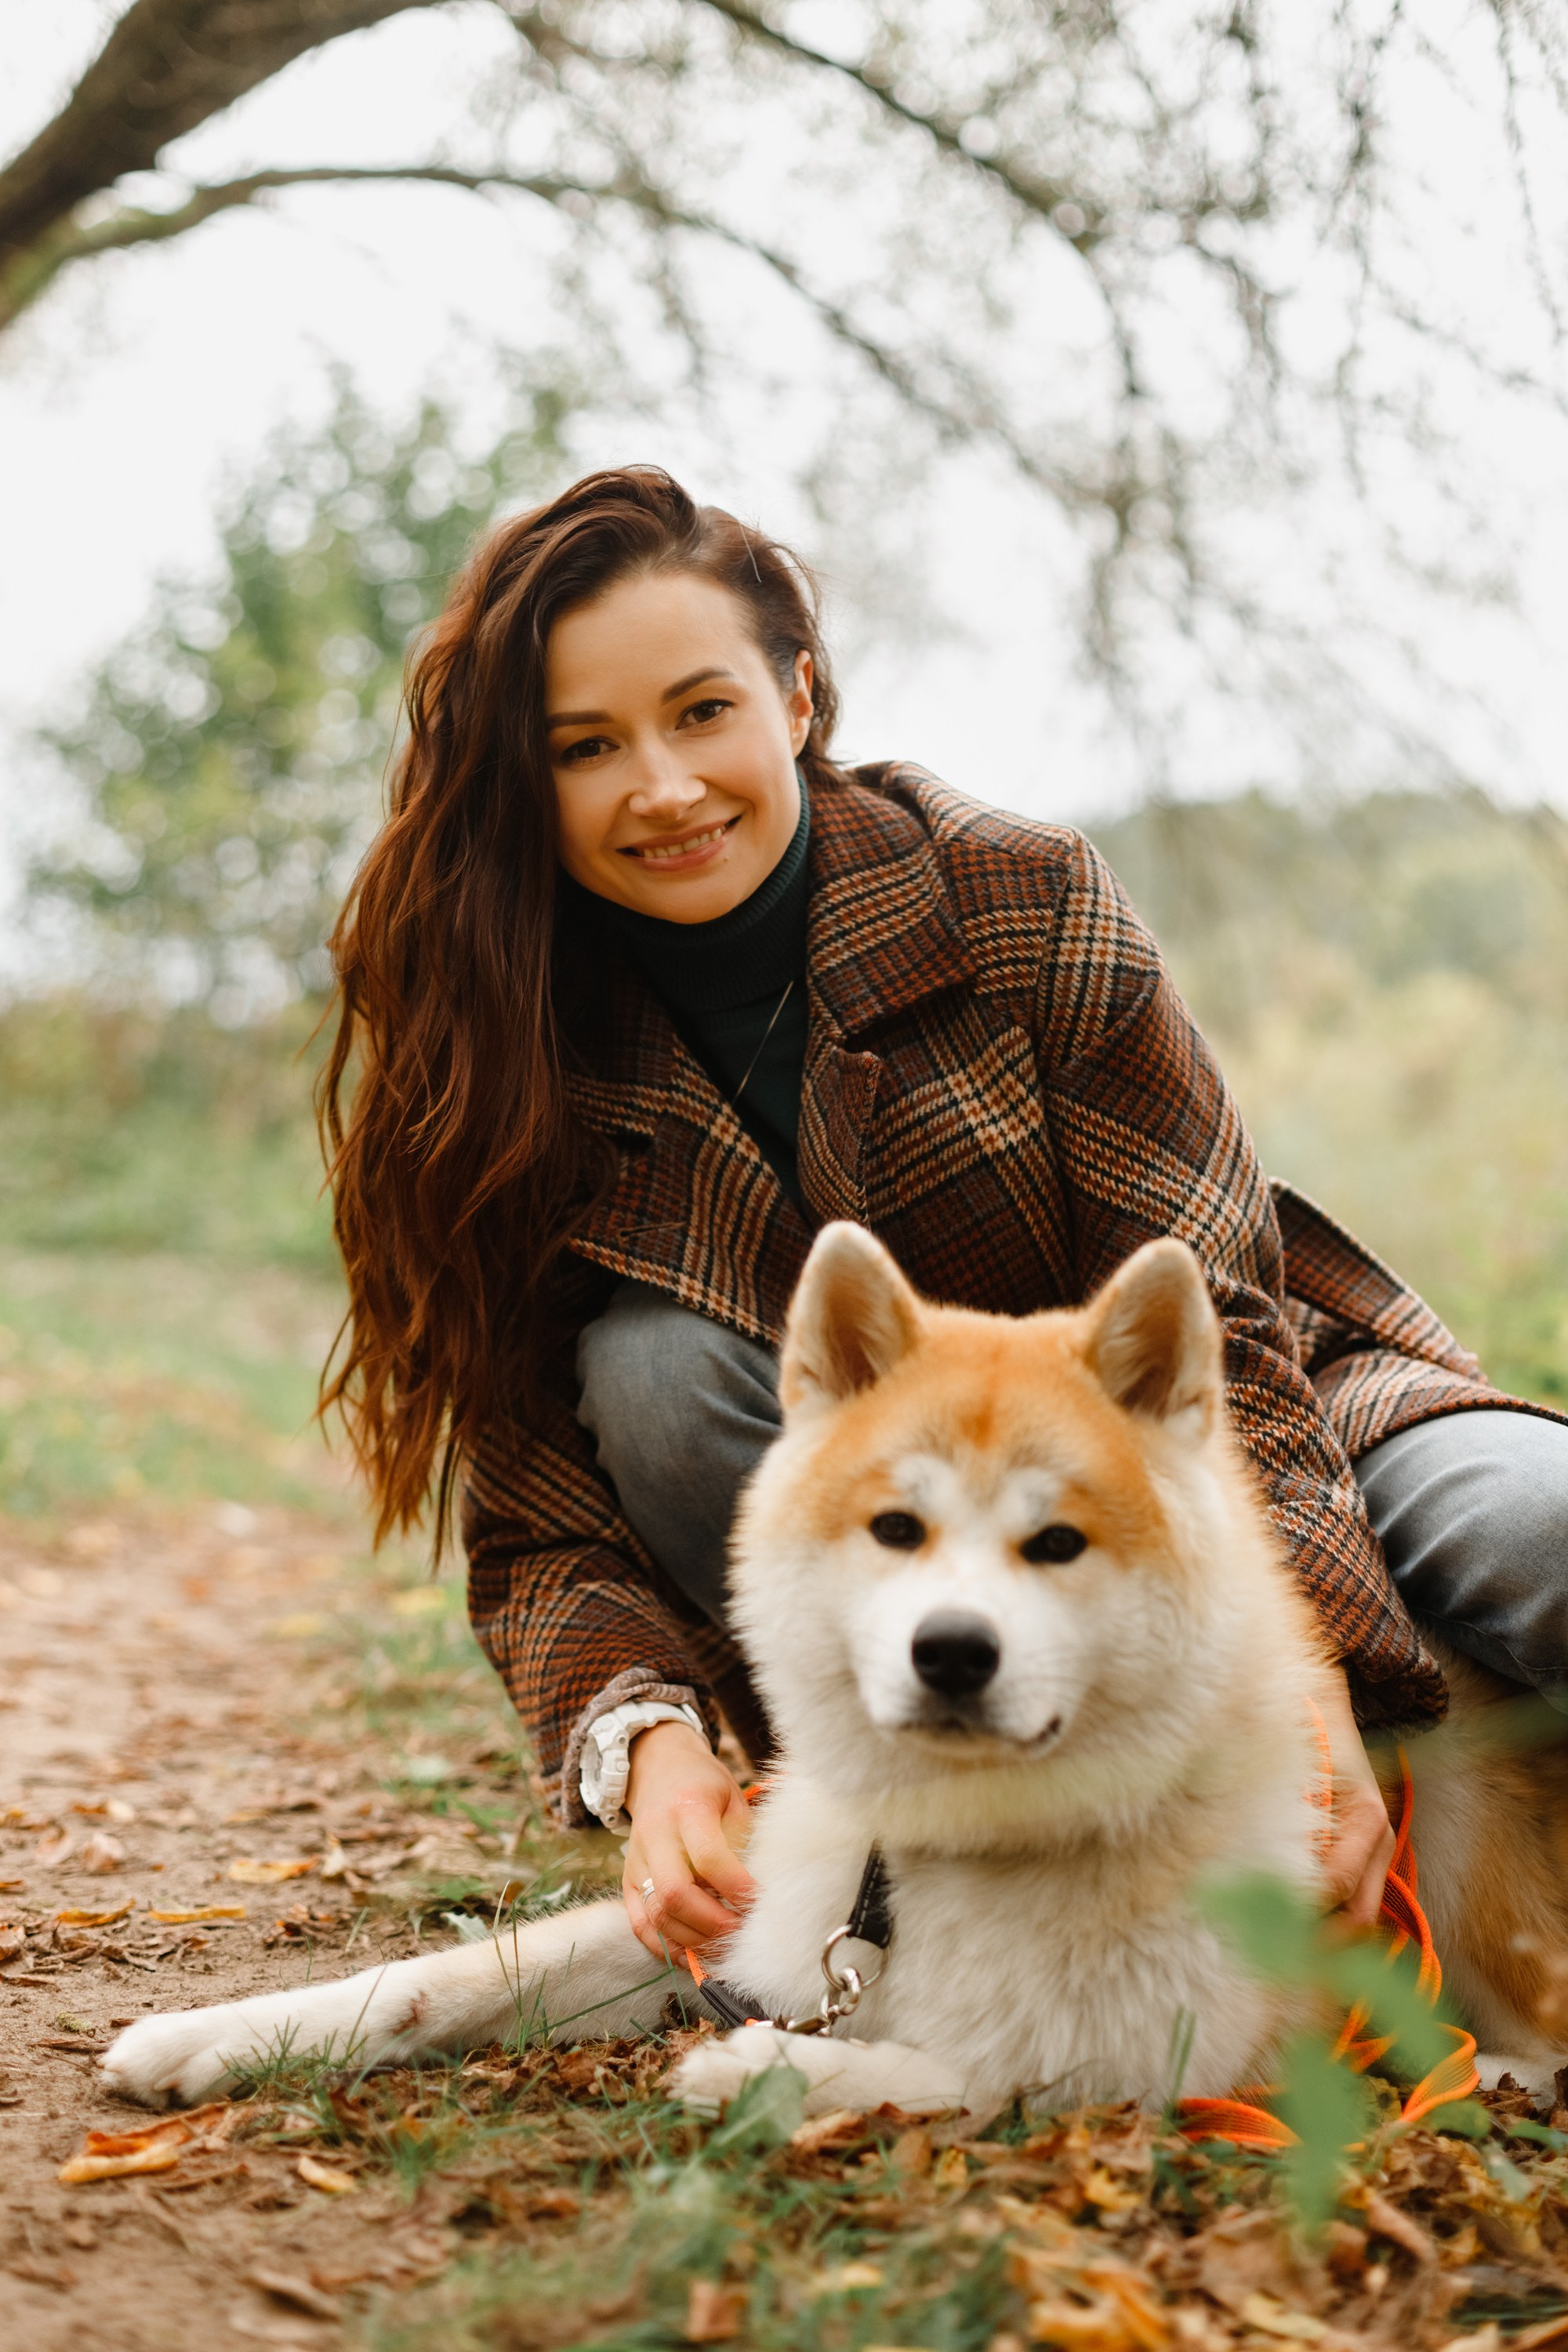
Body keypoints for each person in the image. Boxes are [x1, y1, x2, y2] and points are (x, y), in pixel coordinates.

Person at [321, 466, 1568, 1968]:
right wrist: (646, 1742)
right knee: (650, 1370)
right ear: (530, 782)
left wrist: (1317, 1680)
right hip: (918, 1575)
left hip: (1272, 1431)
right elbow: (539, 1514)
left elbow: (1222, 1324)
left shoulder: (1021, 894)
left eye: (702, 712)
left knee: (1546, 1526)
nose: (663, 786)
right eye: (587, 747)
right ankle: (917, 1839)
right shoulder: (506, 1048)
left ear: (796, 696)